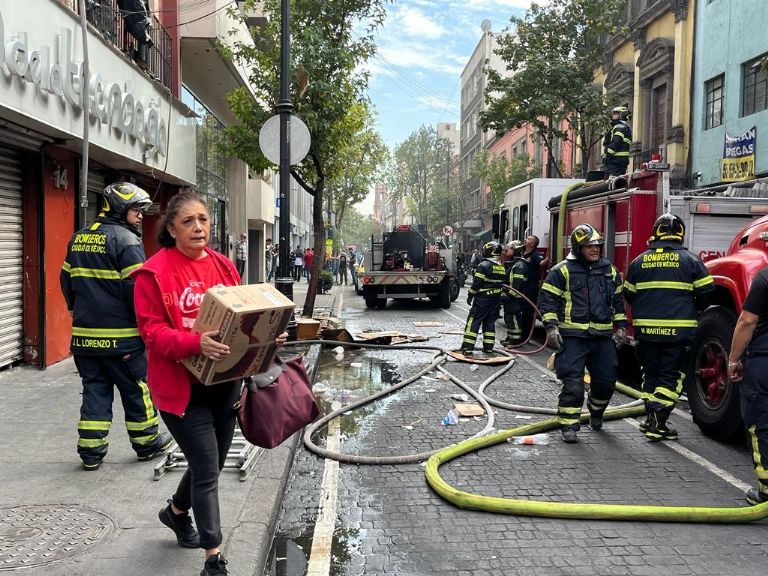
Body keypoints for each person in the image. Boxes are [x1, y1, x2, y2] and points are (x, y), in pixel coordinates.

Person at [132, 191, 288, 576]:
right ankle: (213, 557)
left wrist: (269, 335)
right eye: (188, 221)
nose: (199, 227)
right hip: (181, 391)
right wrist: (195, 342)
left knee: (213, 464)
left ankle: (175, 512)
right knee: (205, 469)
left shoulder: (224, 266)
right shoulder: (152, 274)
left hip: (225, 384)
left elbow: (245, 318)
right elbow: (152, 334)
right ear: (171, 229)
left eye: (203, 219)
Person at [60, 182, 172, 471]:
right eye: (136, 209)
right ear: (119, 208)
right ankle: (147, 443)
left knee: (95, 390)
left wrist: (76, 308)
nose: (140, 215)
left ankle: (91, 452)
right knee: (136, 390)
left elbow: (66, 280)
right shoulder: (126, 241)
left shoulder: (78, 239)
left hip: (85, 339)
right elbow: (138, 291)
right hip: (122, 340)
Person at [625, 214, 714, 442]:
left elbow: (628, 294)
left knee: (650, 376)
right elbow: (707, 293)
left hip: (646, 334)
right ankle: (657, 423)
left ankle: (651, 420)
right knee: (670, 378)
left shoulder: (638, 261)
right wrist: (693, 307)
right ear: (680, 233)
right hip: (678, 334)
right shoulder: (691, 261)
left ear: (656, 232)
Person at [539, 224, 628, 444]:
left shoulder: (609, 271)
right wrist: (551, 327)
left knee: (606, 381)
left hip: (602, 338)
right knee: (573, 384)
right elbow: (548, 301)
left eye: (597, 245)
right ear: (578, 248)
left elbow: (618, 301)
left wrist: (621, 327)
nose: (595, 249)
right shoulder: (561, 271)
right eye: (589, 246)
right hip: (573, 338)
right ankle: (569, 424)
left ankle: (596, 412)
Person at [727, 268, 768, 505]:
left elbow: (747, 321)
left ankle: (766, 491)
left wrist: (733, 360)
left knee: (761, 422)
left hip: (764, 362)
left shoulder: (764, 278)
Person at [460, 241, 506, 354]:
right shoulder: (501, 267)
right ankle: (488, 347)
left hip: (482, 300)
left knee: (473, 321)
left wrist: (470, 295)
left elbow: (477, 284)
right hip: (495, 300)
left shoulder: (483, 265)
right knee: (489, 322)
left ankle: (467, 347)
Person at [520, 234, 548, 339]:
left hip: (530, 288)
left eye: (528, 239)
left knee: (527, 312)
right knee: (521, 311)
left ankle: (525, 335)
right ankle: (519, 335)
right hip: (522, 287)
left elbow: (541, 263)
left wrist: (548, 258)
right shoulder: (523, 252)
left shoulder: (536, 254)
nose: (525, 239)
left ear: (532, 244)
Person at [501, 240, 528, 346]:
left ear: (516, 250)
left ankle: (516, 340)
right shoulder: (513, 264)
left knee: (514, 318)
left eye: (510, 249)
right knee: (509, 318)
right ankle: (511, 337)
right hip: (512, 298)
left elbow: (516, 284)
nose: (507, 250)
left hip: (515, 298)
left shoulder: (519, 265)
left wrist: (510, 296)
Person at [603, 106, 632, 177]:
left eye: (615, 114)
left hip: (615, 161)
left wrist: (608, 155)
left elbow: (616, 143)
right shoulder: (623, 127)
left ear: (622, 115)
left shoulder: (620, 127)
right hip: (619, 161)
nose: (613, 115)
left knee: (611, 182)